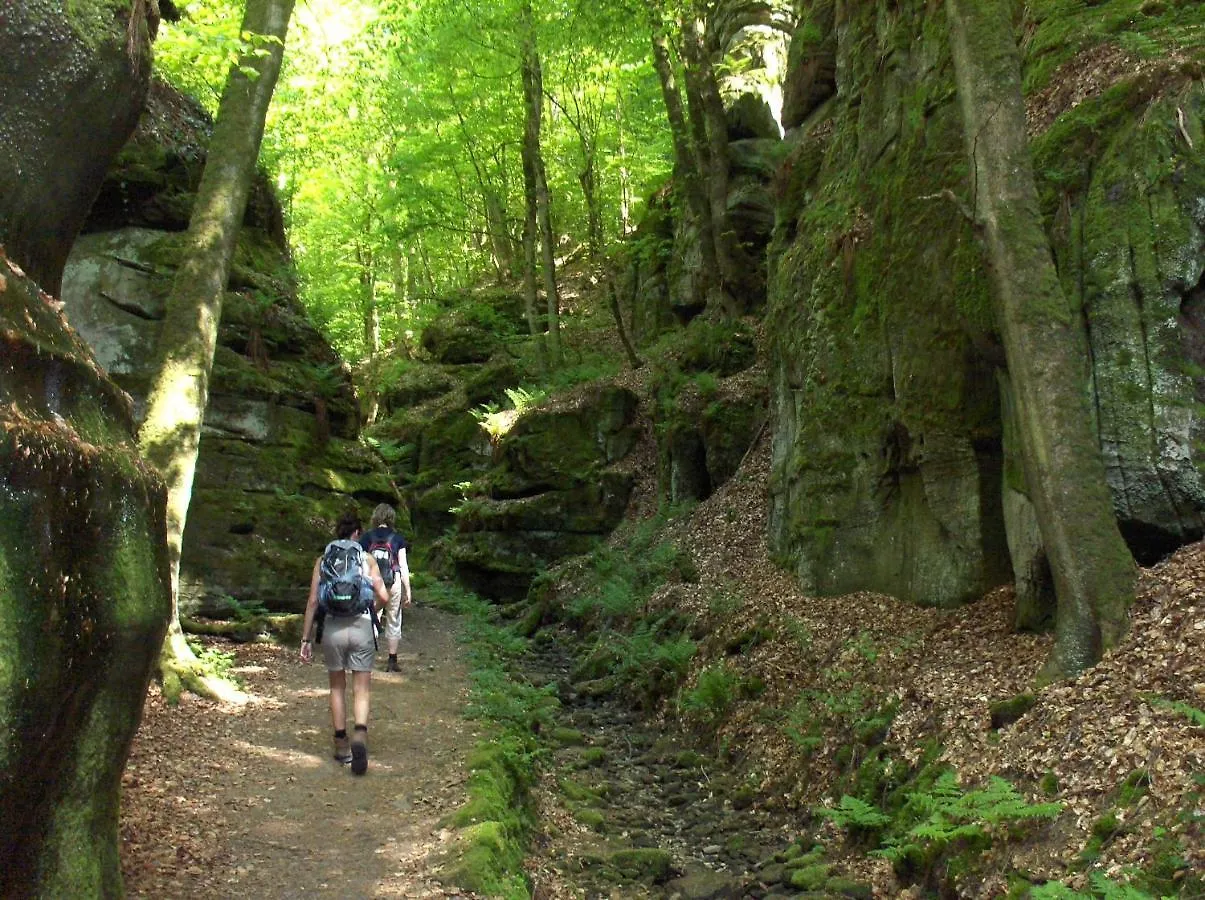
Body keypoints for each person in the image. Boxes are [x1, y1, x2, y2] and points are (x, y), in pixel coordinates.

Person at [300, 511, 389, 775]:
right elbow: (383, 595)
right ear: (357, 534)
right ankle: (359, 734)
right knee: (361, 687)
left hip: (332, 628)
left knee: (337, 687)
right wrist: (372, 610)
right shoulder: (367, 559)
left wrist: (306, 638)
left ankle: (341, 744)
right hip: (361, 626)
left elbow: (313, 602)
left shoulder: (323, 559)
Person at [358, 503, 413, 673]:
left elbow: (361, 563)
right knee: (394, 620)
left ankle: (365, 659)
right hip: (393, 584)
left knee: (370, 619)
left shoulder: (366, 538)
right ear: (391, 518)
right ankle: (392, 660)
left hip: (372, 583)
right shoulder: (397, 538)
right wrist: (408, 590)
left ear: (375, 517)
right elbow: (403, 566)